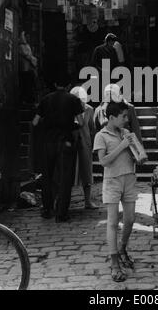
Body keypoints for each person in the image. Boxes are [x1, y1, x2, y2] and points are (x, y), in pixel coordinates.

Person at [93, 101, 137, 282]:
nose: (127, 120)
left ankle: (122, 248)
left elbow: (135, 154)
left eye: (127, 116)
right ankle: (114, 263)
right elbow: (103, 161)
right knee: (112, 223)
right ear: (111, 118)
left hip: (129, 178)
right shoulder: (101, 136)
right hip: (112, 181)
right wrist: (122, 146)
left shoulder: (126, 133)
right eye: (123, 117)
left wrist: (138, 155)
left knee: (130, 219)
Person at [32, 73, 84, 222]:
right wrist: (69, 124)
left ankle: (47, 210)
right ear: (68, 86)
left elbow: (35, 122)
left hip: (48, 142)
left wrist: (48, 125)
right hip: (65, 142)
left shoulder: (45, 99)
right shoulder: (74, 100)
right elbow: (81, 122)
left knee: (47, 176)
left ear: (55, 84)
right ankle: (61, 213)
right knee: (65, 177)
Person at [70, 85, 99, 210]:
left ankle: (87, 201)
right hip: (71, 144)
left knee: (87, 173)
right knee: (67, 172)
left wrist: (91, 144)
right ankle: (61, 200)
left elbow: (92, 128)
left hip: (85, 144)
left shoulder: (89, 110)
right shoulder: (68, 109)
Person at [18, 31, 38, 104]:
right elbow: (27, 55)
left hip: (28, 68)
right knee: (26, 84)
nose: (28, 38)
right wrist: (34, 59)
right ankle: (26, 100)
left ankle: (29, 100)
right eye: (26, 36)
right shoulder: (21, 46)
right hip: (24, 68)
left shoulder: (26, 45)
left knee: (29, 84)